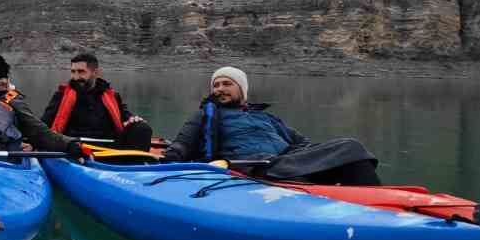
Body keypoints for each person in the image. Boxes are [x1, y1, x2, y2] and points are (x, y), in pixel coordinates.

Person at [161, 66, 380, 185]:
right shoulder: (206, 115)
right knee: (345, 150)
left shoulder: (267, 118)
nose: (219, 89)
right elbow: (183, 144)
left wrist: (322, 155)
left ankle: (377, 201)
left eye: (227, 84)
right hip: (255, 166)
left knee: (350, 147)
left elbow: (303, 144)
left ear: (242, 90)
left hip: (288, 161)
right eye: (216, 85)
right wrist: (166, 160)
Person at [40, 52, 153, 150]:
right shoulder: (61, 95)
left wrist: (134, 119)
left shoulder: (111, 95)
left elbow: (126, 117)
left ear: (96, 72)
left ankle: (137, 164)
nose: (76, 77)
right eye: (73, 71)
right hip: (75, 147)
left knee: (142, 128)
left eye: (81, 72)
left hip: (109, 146)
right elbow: (44, 124)